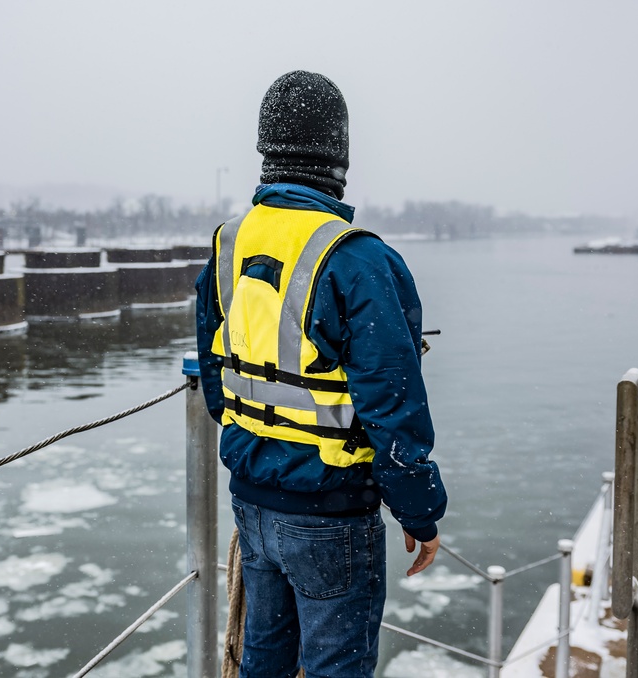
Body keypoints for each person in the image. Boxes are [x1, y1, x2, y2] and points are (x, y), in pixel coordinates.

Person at [194, 70, 448, 678]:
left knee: (264, 662)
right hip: (332, 514)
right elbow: (392, 400)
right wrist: (419, 511)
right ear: (339, 156)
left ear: (267, 149)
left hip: (251, 505)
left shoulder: (228, 246)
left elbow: (214, 379)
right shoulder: (358, 258)